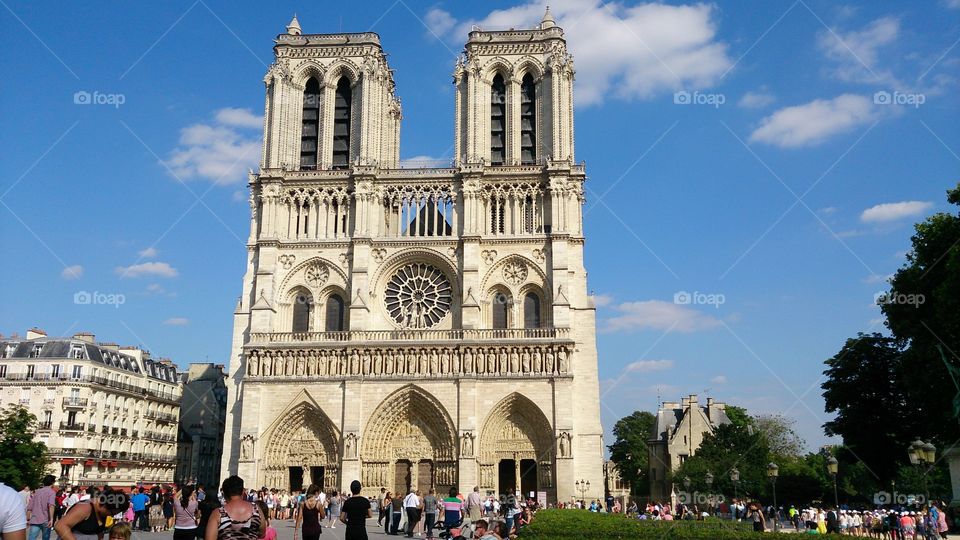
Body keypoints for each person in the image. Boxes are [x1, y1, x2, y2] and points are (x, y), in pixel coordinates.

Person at [54, 487, 129, 540]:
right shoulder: (85, 508)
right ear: (105, 505)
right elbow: (60, 526)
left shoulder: (103, 513)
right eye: (112, 513)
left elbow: (99, 532)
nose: (111, 515)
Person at [26, 475, 56, 540]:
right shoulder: (51, 492)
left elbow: (29, 507)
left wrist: (28, 519)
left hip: (35, 518)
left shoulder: (37, 492)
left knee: (32, 538)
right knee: (45, 538)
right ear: (52, 483)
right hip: (46, 519)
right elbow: (51, 505)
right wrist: (51, 519)